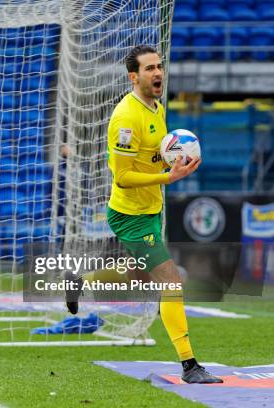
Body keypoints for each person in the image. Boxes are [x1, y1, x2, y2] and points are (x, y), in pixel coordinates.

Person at [66, 45, 221, 384]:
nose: (158, 73)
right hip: (130, 214)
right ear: (133, 76)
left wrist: (174, 163)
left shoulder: (157, 107)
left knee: (139, 276)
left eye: (160, 66)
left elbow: (155, 156)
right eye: (150, 68)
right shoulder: (126, 118)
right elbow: (122, 177)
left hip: (150, 209)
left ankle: (80, 282)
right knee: (171, 284)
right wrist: (168, 177)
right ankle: (190, 365)